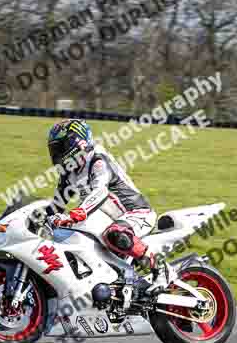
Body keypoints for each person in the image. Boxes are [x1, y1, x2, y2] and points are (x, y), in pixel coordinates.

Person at [45, 118, 173, 293]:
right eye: (54, 149)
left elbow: (100, 192)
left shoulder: (98, 160)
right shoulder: (69, 172)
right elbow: (56, 206)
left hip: (135, 212)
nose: (56, 154)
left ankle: (161, 269)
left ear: (78, 143)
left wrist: (78, 213)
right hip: (105, 216)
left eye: (60, 148)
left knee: (114, 234)